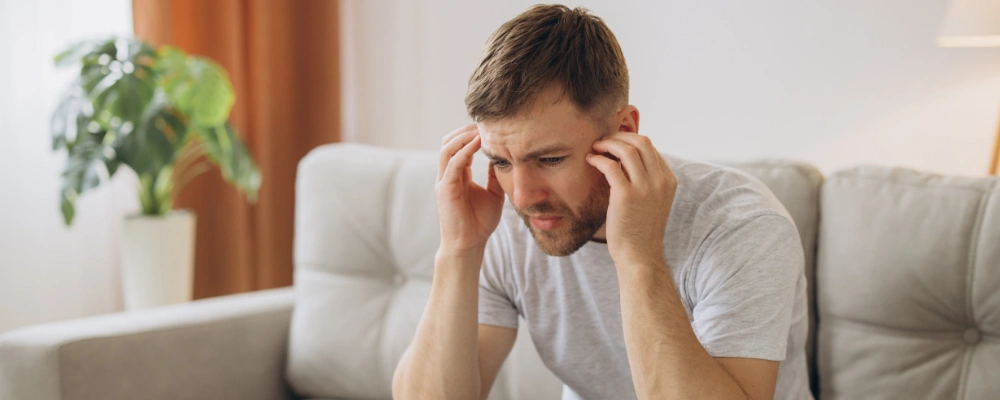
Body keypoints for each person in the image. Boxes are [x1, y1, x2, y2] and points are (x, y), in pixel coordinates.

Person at [393, 4, 812, 400]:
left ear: (624, 131)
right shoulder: (502, 220)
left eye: (550, 159)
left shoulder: (741, 227)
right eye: (501, 161)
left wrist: (638, 257)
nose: (522, 197)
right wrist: (459, 250)